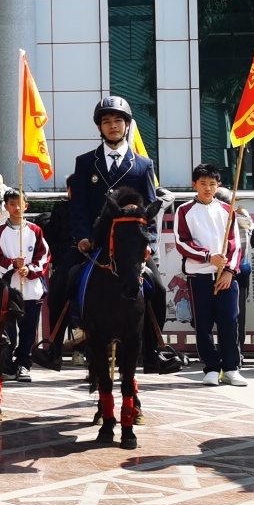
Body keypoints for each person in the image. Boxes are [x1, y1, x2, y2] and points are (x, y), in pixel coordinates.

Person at [55, 96, 172, 369]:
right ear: (100, 127)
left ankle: (154, 349)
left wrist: (150, 243)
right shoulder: (85, 162)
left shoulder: (143, 164)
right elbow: (79, 206)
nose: (113, 126)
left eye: (118, 121)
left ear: (127, 125)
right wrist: (83, 236)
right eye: (106, 122)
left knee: (160, 289)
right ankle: (52, 345)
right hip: (94, 244)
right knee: (63, 282)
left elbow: (149, 207)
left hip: (130, 246)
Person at [175, 164, 248, 386]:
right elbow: (182, 242)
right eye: (203, 183)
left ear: (218, 186)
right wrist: (208, 257)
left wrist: (228, 271)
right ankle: (211, 368)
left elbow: (235, 244)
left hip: (225, 277)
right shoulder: (184, 210)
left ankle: (231, 367)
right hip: (199, 276)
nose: (207, 188)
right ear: (194, 184)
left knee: (229, 320)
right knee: (203, 323)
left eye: (212, 184)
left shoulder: (227, 210)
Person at [0, 189, 48, 381]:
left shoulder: (35, 230)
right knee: (8, 332)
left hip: (31, 290)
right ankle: (7, 365)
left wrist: (30, 270)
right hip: (8, 291)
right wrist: (13, 264)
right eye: (12, 204)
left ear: (26, 206)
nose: (16, 207)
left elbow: (44, 256)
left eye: (19, 203)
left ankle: (24, 364)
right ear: (5, 207)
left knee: (28, 332)